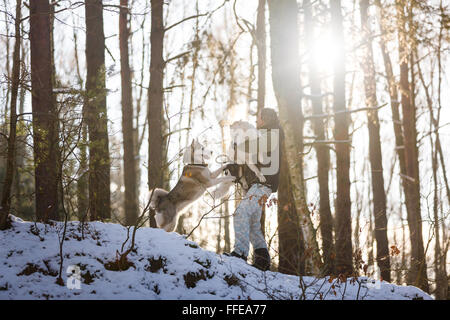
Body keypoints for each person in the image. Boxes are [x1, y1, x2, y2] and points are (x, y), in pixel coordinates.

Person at [225, 108, 284, 271]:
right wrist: (236, 168)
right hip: (257, 185)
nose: (256, 121)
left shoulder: (274, 133)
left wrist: (237, 147)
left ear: (265, 119)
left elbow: (255, 148)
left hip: (263, 184)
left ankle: (240, 254)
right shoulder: (264, 133)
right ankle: (262, 259)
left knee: (241, 213)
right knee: (252, 223)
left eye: (258, 119)